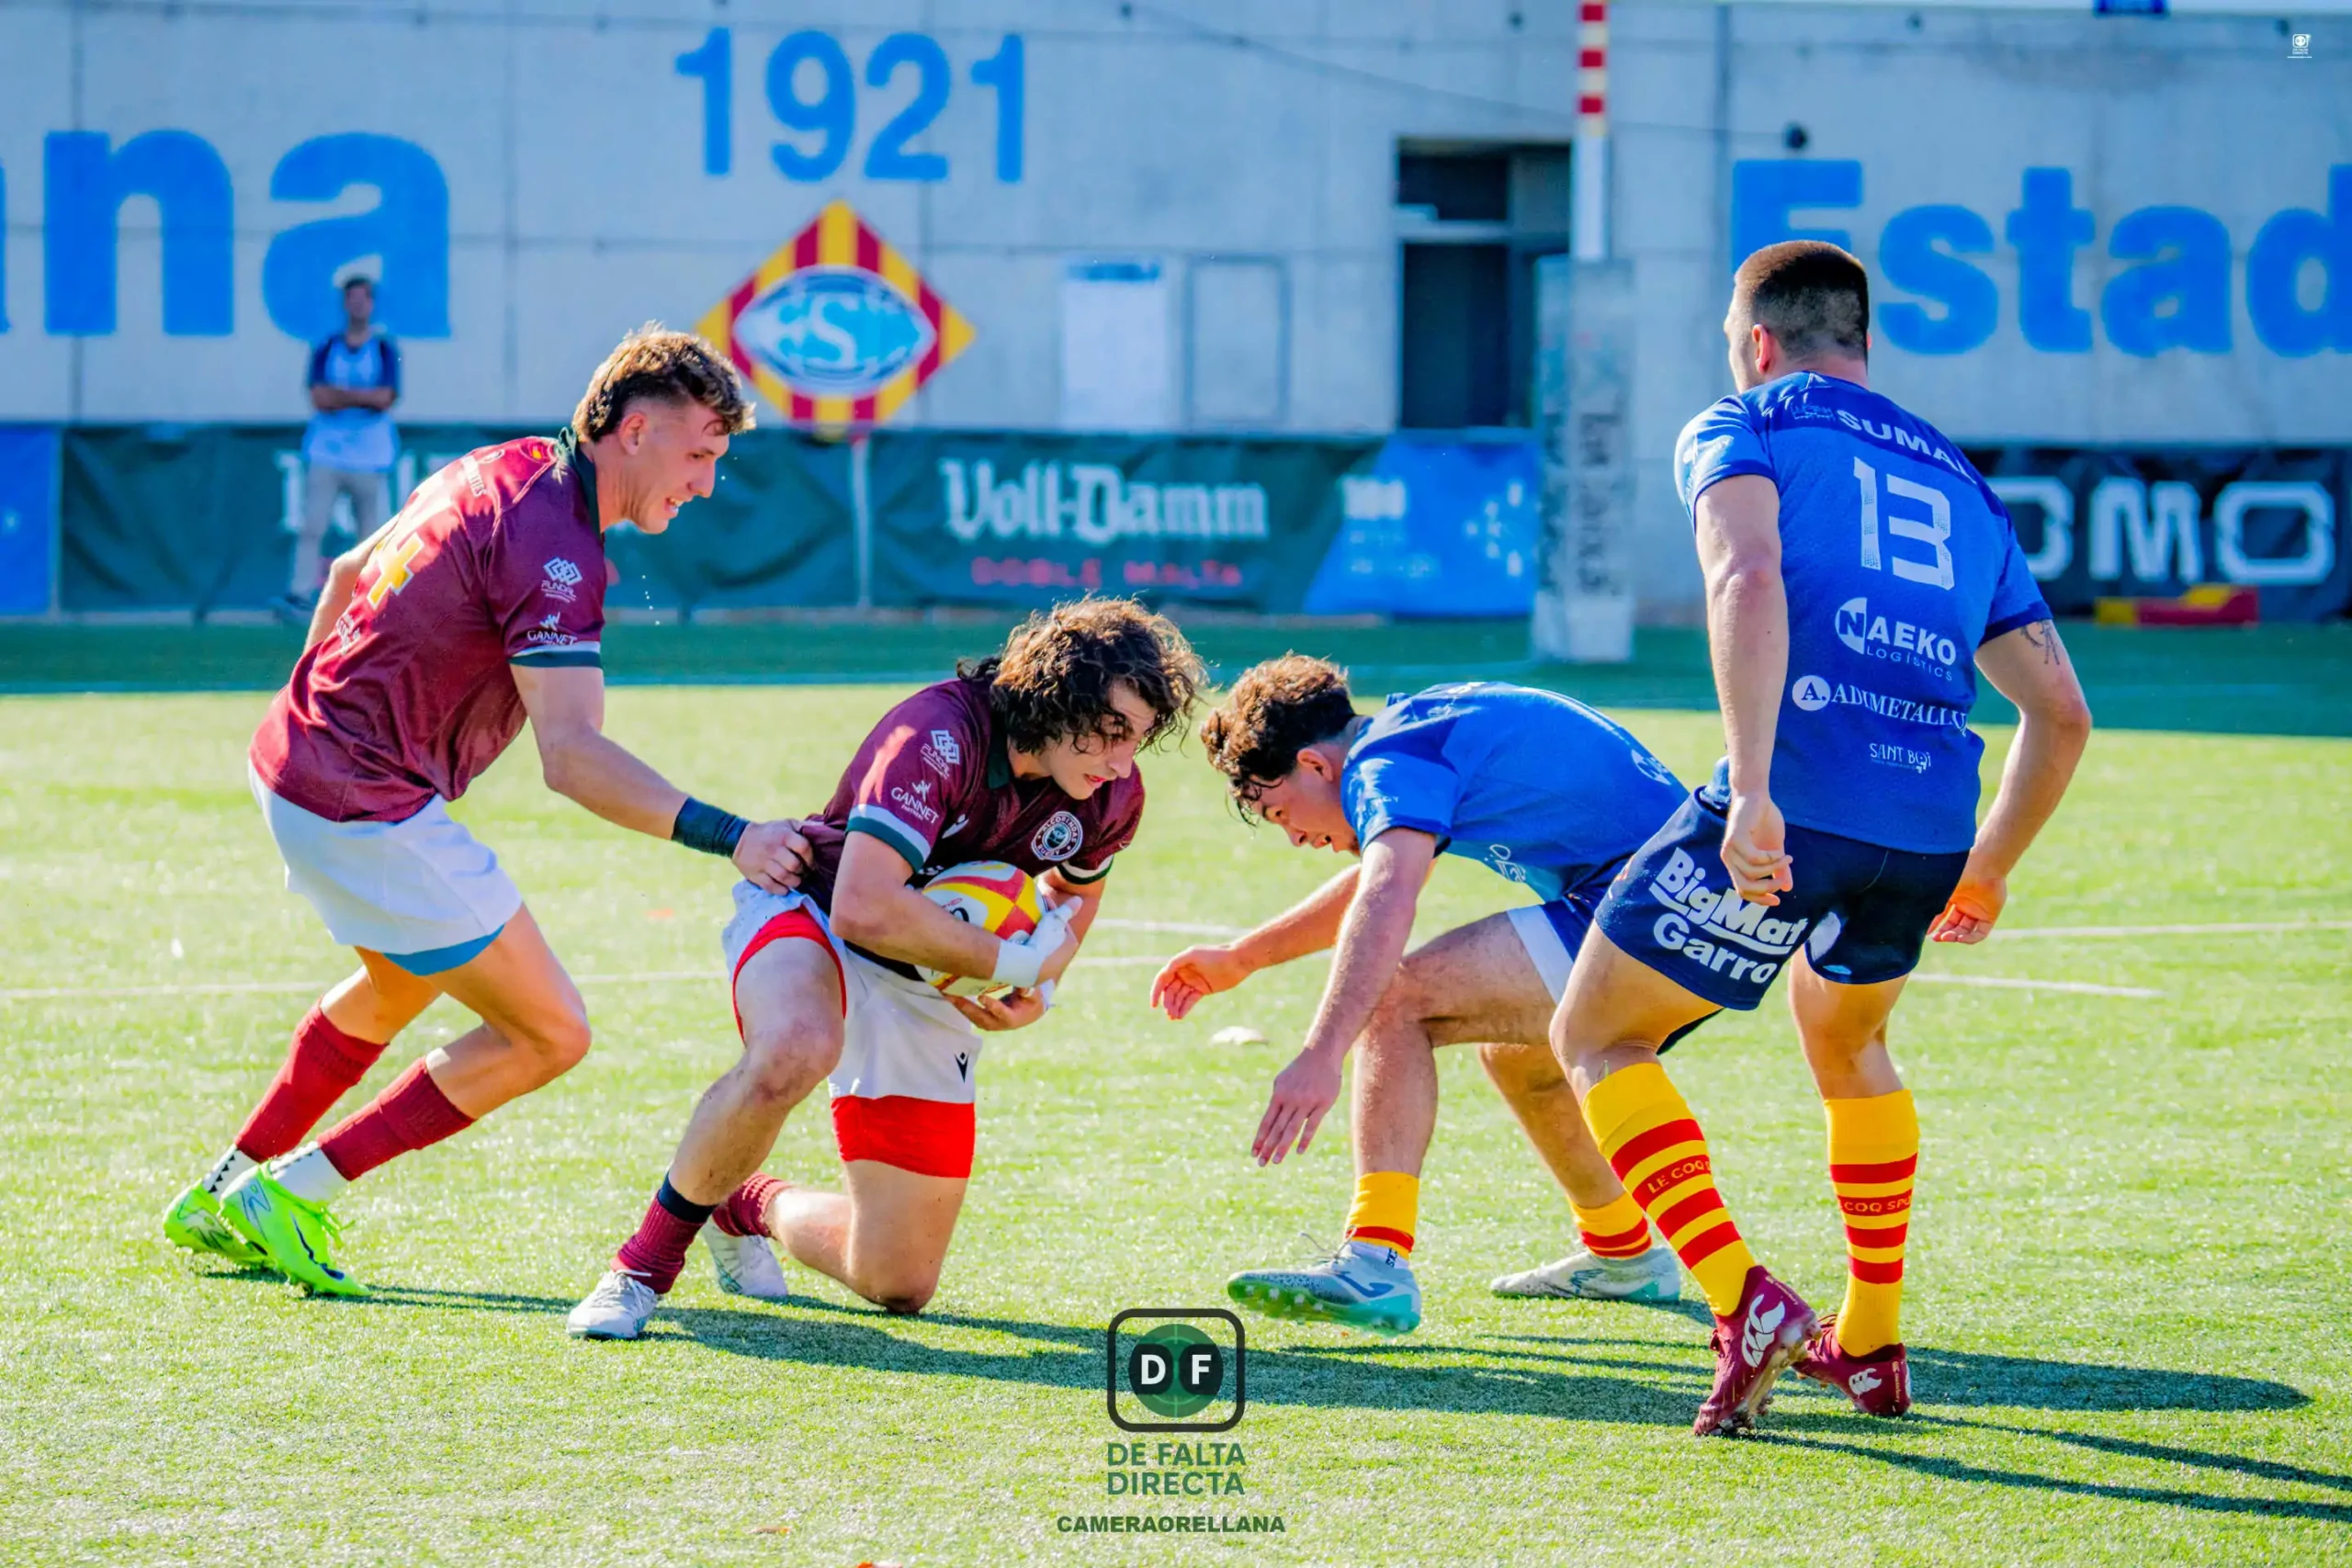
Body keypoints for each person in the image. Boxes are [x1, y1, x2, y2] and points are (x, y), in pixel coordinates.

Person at [1545, 241, 2093, 1436]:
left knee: (1596, 1032)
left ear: (1757, 342)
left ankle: (1744, 1298)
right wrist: (1987, 871)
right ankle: (1874, 1338)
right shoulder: (1960, 478)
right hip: (1929, 828)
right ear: (1864, 344)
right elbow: (2059, 711)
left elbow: (1746, 572)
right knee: (1849, 1044)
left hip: (1797, 801)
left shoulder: (1740, 420)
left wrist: (1749, 788)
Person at [162, 327, 810, 1298]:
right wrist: (737, 836)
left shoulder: (497, 464)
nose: (707, 485)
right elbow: (574, 759)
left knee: (395, 983)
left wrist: (318, 713)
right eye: (701, 456)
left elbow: (344, 573)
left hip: (293, 759)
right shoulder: (558, 549)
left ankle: (220, 1186)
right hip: (362, 803)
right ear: (634, 431)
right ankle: (291, 1190)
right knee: (550, 1033)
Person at [566, 599, 1204, 1340]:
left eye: (1140, 738)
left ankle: (744, 1201)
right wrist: (1016, 957)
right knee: (798, 1046)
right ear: (1056, 699)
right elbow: (863, 907)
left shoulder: (1111, 791)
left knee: (898, 1280)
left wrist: (1043, 980)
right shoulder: (936, 734)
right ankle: (640, 1269)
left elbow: (1075, 895)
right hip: (811, 912)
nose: (1123, 761)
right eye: (1111, 732)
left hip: (925, 979)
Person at [1149, 659, 1695, 1337]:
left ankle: (1375, 1259)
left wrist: (1322, 1052)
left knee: (1395, 998)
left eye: (1279, 810)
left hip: (1656, 907)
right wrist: (1242, 958)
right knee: (1518, 1056)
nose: (1294, 836)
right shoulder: (1414, 734)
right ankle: (1624, 1254)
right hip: (1688, 902)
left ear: (1317, 766)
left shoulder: (1385, 760)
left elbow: (1387, 895)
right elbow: (1377, 880)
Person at [281, 275, 401, 624]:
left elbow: (386, 398)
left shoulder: (383, 349)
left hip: (370, 455)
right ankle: (301, 594)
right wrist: (361, 397)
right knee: (312, 525)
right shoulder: (327, 346)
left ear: (371, 304)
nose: (357, 305)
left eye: (363, 299)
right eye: (352, 299)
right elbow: (319, 398)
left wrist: (342, 396)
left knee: (371, 533)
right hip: (326, 452)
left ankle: (368, 598)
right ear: (345, 303)